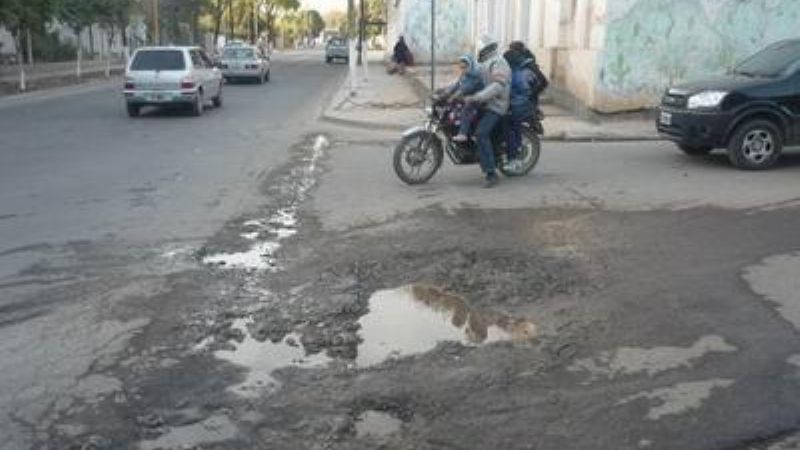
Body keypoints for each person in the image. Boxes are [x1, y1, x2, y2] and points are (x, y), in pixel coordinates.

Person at [463, 35, 511, 188]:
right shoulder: (484, 63)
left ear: (487, 48)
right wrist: (452, 92)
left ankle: (491, 173)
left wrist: (478, 97)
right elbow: (471, 81)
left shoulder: (499, 62)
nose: (480, 51)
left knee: (481, 133)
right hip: (485, 103)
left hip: (496, 106)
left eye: (481, 48)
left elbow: (498, 86)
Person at [436, 54, 484, 143]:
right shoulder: (465, 75)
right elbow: (456, 85)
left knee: (466, 109)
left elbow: (465, 88)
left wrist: (453, 97)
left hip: (477, 100)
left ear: (471, 65)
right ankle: (453, 130)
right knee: (450, 108)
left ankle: (463, 134)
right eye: (461, 67)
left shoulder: (475, 76)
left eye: (465, 67)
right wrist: (443, 91)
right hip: (466, 98)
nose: (463, 69)